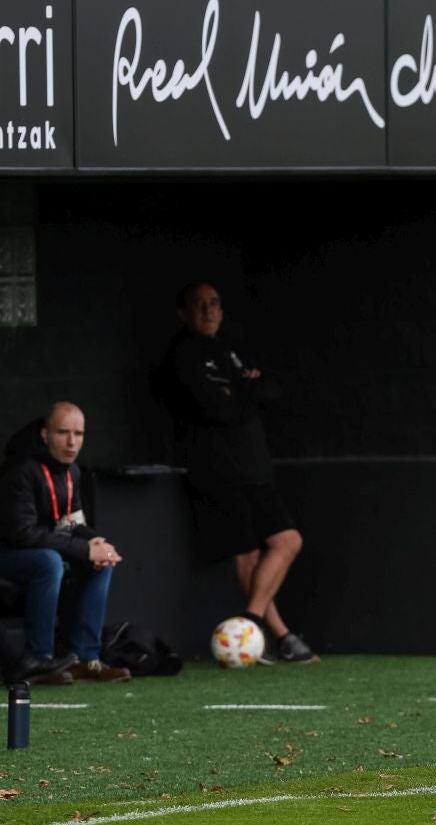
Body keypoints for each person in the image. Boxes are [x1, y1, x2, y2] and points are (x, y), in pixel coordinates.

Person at [157, 283, 315, 663]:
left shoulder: (236, 347)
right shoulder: (183, 356)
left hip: (255, 466)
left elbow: (271, 390)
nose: (208, 311)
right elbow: (215, 408)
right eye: (198, 305)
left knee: (288, 540)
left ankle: (250, 623)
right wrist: (246, 391)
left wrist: (240, 391)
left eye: (213, 304)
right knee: (245, 556)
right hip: (217, 471)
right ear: (183, 313)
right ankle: (282, 637)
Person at [0, 403, 131, 684]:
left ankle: (85, 659)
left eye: (78, 434)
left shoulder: (72, 472)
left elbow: (70, 523)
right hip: (8, 550)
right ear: (45, 434)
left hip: (40, 549)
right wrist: (82, 549)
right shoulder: (21, 469)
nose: (72, 442)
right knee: (48, 561)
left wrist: (95, 542)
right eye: (63, 433)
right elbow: (22, 533)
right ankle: (39, 659)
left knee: (99, 564)